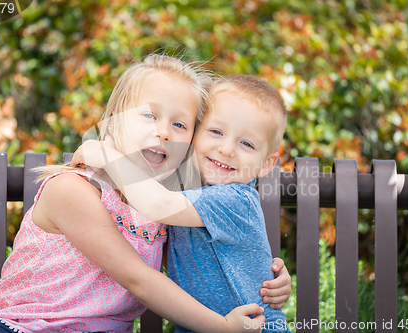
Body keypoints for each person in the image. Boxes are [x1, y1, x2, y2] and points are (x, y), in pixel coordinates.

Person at [0, 54, 289, 333]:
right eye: (149, 115)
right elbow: (138, 278)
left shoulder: (165, 210)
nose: (163, 131)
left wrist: (269, 274)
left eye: (180, 125)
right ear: (113, 123)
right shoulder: (73, 190)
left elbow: (219, 253)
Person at [73, 74, 293, 332]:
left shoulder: (235, 201)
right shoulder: (187, 193)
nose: (226, 149)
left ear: (266, 163)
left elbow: (158, 205)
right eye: (216, 131)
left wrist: (104, 153)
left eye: (246, 143)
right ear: (194, 134)